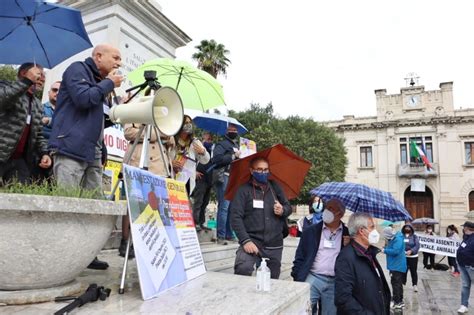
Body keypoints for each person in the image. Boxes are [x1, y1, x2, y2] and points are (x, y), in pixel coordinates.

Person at [49, 43, 124, 270]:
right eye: (116, 58)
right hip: (71, 148)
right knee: (68, 205)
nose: (119, 63)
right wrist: (108, 83)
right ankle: (62, 259)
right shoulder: (77, 70)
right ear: (98, 56)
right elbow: (83, 99)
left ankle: (86, 255)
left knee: (93, 207)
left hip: (92, 152)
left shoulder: (100, 83)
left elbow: (99, 117)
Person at [118, 118, 176, 258]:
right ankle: (125, 241)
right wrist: (157, 134)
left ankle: (145, 243)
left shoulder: (163, 115)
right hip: (137, 161)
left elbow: (170, 139)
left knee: (154, 206)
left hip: (159, 167)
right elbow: (129, 133)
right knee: (132, 204)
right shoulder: (135, 109)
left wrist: (167, 137)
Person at [230, 156, 292, 279]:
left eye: (265, 170)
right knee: (243, 268)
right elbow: (235, 217)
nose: (263, 172)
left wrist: (282, 210)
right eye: (259, 169)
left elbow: (288, 207)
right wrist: (245, 241)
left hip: (274, 244)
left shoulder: (275, 187)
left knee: (272, 280)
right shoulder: (243, 190)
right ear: (252, 171)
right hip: (252, 241)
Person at [291, 199, 350, 314]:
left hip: (334, 282)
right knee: (301, 310)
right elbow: (300, 256)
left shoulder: (347, 234)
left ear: (340, 214)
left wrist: (348, 247)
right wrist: (297, 277)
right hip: (313, 278)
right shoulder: (311, 231)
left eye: (332, 209)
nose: (327, 211)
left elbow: (350, 261)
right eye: (327, 207)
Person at [0, 62, 52, 184]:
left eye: (44, 75)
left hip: (19, 161)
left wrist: (44, 153)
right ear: (24, 73)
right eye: (39, 74)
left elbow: (38, 135)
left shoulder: (37, 104)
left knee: (18, 197)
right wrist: (26, 81)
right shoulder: (5, 87)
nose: (43, 78)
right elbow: (4, 99)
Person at [334, 212, 391, 314]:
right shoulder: (345, 258)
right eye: (372, 227)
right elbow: (343, 298)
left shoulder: (370, 252)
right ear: (361, 231)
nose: (375, 231)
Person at [213, 124, 240, 244]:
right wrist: (233, 156)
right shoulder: (221, 144)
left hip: (235, 178)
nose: (233, 131)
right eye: (231, 130)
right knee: (224, 207)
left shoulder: (237, 145)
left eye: (235, 130)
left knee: (231, 208)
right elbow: (216, 160)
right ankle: (221, 236)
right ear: (226, 131)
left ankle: (229, 234)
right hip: (224, 177)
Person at [170, 115, 210, 195]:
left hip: (187, 180)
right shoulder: (171, 139)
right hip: (172, 179)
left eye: (190, 123)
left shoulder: (195, 142)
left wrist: (203, 152)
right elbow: (164, 157)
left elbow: (206, 160)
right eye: (186, 123)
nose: (189, 125)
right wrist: (171, 163)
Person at [191, 132, 214, 232]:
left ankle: (201, 222)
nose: (208, 142)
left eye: (210, 140)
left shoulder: (212, 150)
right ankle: (194, 222)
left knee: (205, 202)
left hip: (209, 179)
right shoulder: (197, 148)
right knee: (198, 202)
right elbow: (191, 161)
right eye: (206, 140)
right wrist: (193, 172)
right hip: (200, 179)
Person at [382, 226, 407, 310]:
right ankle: (399, 299)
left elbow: (395, 251)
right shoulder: (394, 238)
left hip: (397, 265)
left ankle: (398, 302)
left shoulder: (397, 239)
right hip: (395, 264)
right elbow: (391, 248)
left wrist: (384, 250)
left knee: (396, 283)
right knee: (397, 283)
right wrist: (386, 246)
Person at [456, 221, 474, 314]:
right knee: (465, 285)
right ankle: (464, 305)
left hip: (471, 267)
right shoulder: (466, 237)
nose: (463, 229)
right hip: (463, 265)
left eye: (464, 227)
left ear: (467, 228)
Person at [402, 223, 420, 292]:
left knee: (413, 271)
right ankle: (403, 283)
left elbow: (417, 245)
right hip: (404, 256)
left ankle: (414, 285)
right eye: (406, 227)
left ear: (411, 229)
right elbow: (399, 244)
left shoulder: (415, 236)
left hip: (413, 257)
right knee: (404, 270)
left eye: (409, 228)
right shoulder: (402, 236)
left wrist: (411, 251)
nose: (407, 229)